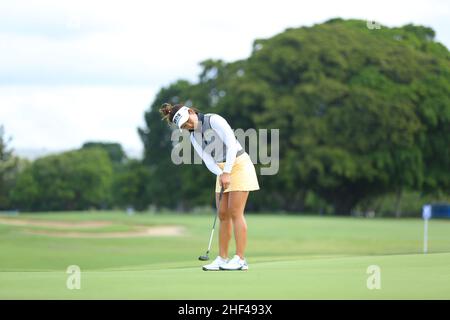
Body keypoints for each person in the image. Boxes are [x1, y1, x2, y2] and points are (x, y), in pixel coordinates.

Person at [159, 103, 260, 271]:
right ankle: (222, 259)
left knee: (235, 212)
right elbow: (207, 159)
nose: (187, 126)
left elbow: (231, 144)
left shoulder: (215, 120)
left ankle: (240, 259)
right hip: (221, 170)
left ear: (191, 112)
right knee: (222, 214)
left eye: (187, 121)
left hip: (239, 164)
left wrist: (227, 171)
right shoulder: (193, 137)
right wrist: (221, 174)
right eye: (183, 126)